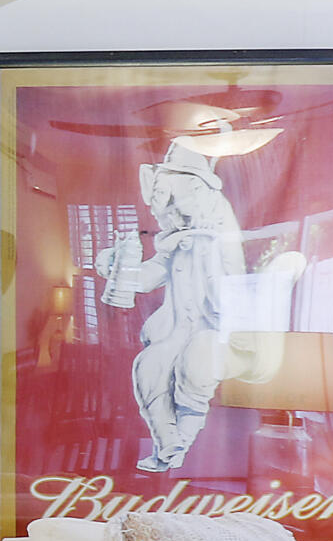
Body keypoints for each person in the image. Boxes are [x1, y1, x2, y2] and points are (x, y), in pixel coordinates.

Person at [94, 136, 245, 472]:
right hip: (177, 326)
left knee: (195, 369)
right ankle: (168, 442)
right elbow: (149, 277)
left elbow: (231, 292)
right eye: (168, 212)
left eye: (179, 209)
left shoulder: (219, 240)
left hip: (212, 330)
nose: (172, 217)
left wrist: (206, 249)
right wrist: (116, 267)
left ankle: (183, 443)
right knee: (148, 367)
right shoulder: (175, 241)